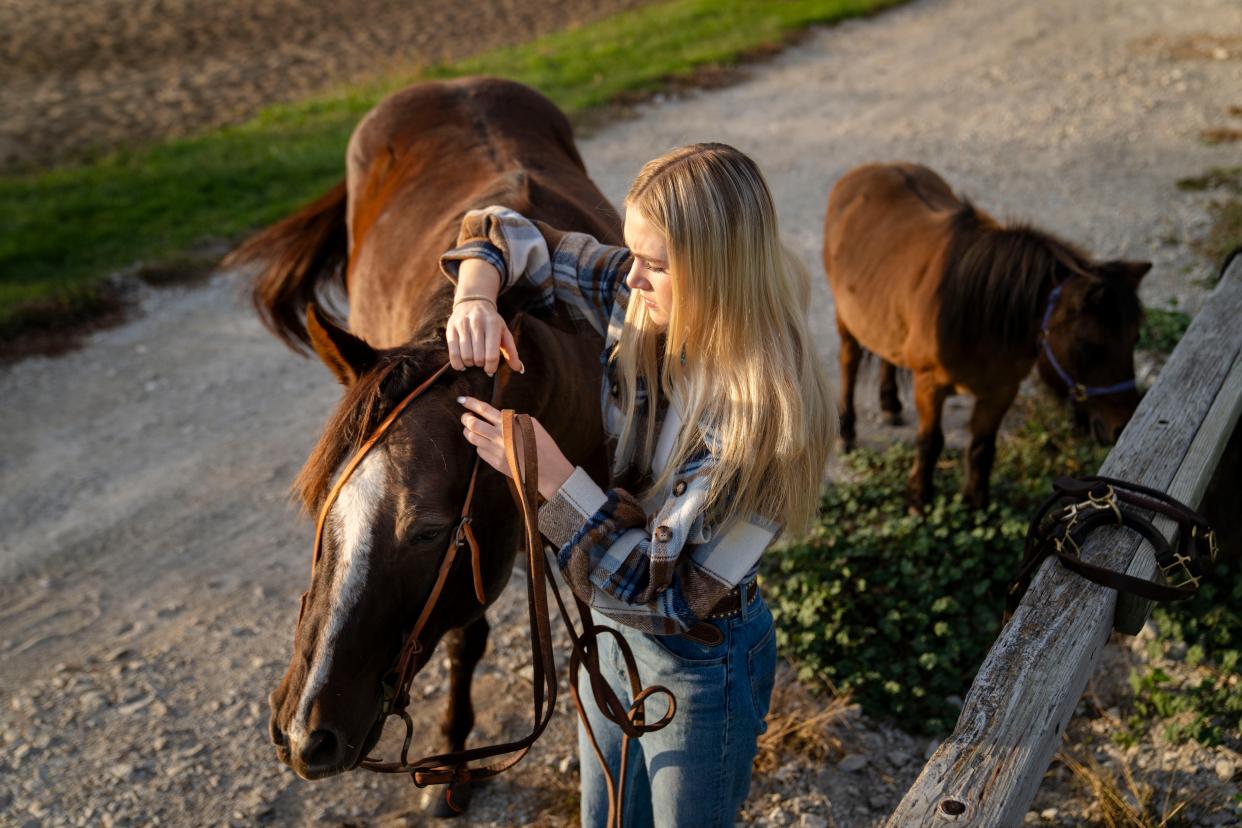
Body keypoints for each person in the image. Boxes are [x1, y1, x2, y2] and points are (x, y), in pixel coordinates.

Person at [439, 143, 834, 827]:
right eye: (633, 254)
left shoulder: (766, 410)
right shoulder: (644, 300)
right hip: (607, 632)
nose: (633, 279)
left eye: (656, 263)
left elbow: (676, 597)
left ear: (718, 270)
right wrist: (476, 296)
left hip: (698, 661)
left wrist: (553, 477)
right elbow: (499, 226)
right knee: (606, 819)